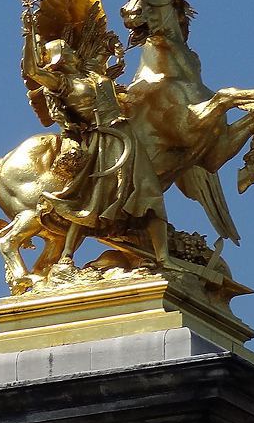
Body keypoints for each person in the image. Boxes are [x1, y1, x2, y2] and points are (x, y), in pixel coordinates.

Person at [21, 27, 174, 267]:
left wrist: (117, 50)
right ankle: (67, 256)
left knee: (151, 192)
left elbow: (108, 58)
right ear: (60, 58)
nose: (73, 51)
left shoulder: (91, 74)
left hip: (126, 137)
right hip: (101, 142)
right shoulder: (62, 82)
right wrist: (29, 35)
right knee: (90, 201)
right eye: (68, 49)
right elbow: (32, 70)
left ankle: (163, 258)